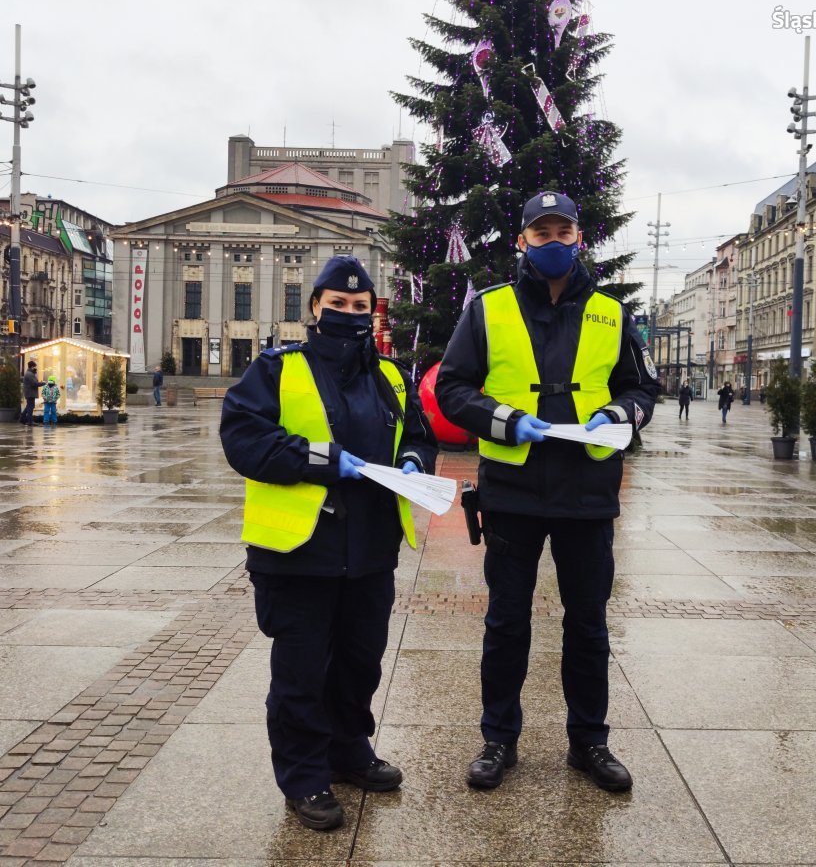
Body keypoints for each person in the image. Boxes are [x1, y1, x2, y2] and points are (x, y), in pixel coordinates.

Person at [436, 190, 660, 793]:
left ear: (580, 239)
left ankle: (590, 741)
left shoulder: (611, 313)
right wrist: (505, 420)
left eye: (564, 233)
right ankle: (497, 739)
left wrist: (621, 414)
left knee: (588, 623)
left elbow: (642, 391)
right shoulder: (488, 308)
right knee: (507, 621)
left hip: (588, 490)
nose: (554, 244)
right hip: (513, 488)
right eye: (542, 234)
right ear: (523, 241)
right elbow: (452, 390)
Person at [220, 256, 438, 832]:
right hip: (297, 554)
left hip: (369, 552)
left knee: (359, 664)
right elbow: (244, 440)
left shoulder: (391, 377)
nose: (347, 313)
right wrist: (322, 461)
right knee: (301, 674)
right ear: (314, 308)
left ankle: (349, 752)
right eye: (336, 305)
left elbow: (417, 433)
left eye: (359, 306)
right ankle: (305, 776)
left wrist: (416, 460)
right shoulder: (276, 369)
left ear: (372, 313)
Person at [20, 360, 39, 425]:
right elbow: (34, 383)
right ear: (32, 366)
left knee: (29, 406)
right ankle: (30, 421)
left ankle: (22, 418)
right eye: (35, 367)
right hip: (30, 393)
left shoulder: (29, 373)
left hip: (29, 392)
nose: (36, 368)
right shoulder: (30, 374)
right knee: (31, 406)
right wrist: (43, 383)